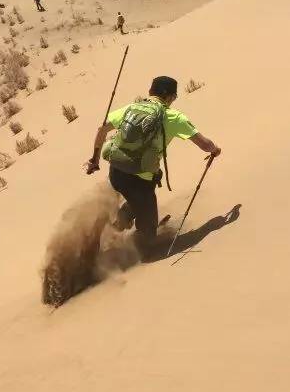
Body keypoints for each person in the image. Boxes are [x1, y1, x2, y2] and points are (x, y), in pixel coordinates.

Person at [85, 75, 221, 256]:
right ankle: (120, 248)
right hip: (140, 181)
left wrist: (94, 159)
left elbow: (102, 129)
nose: (173, 100)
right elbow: (205, 144)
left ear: (151, 92)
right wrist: (215, 150)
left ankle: (116, 225)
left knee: (135, 199)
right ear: (168, 96)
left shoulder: (131, 108)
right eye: (174, 97)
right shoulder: (174, 117)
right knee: (147, 236)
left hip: (116, 173)